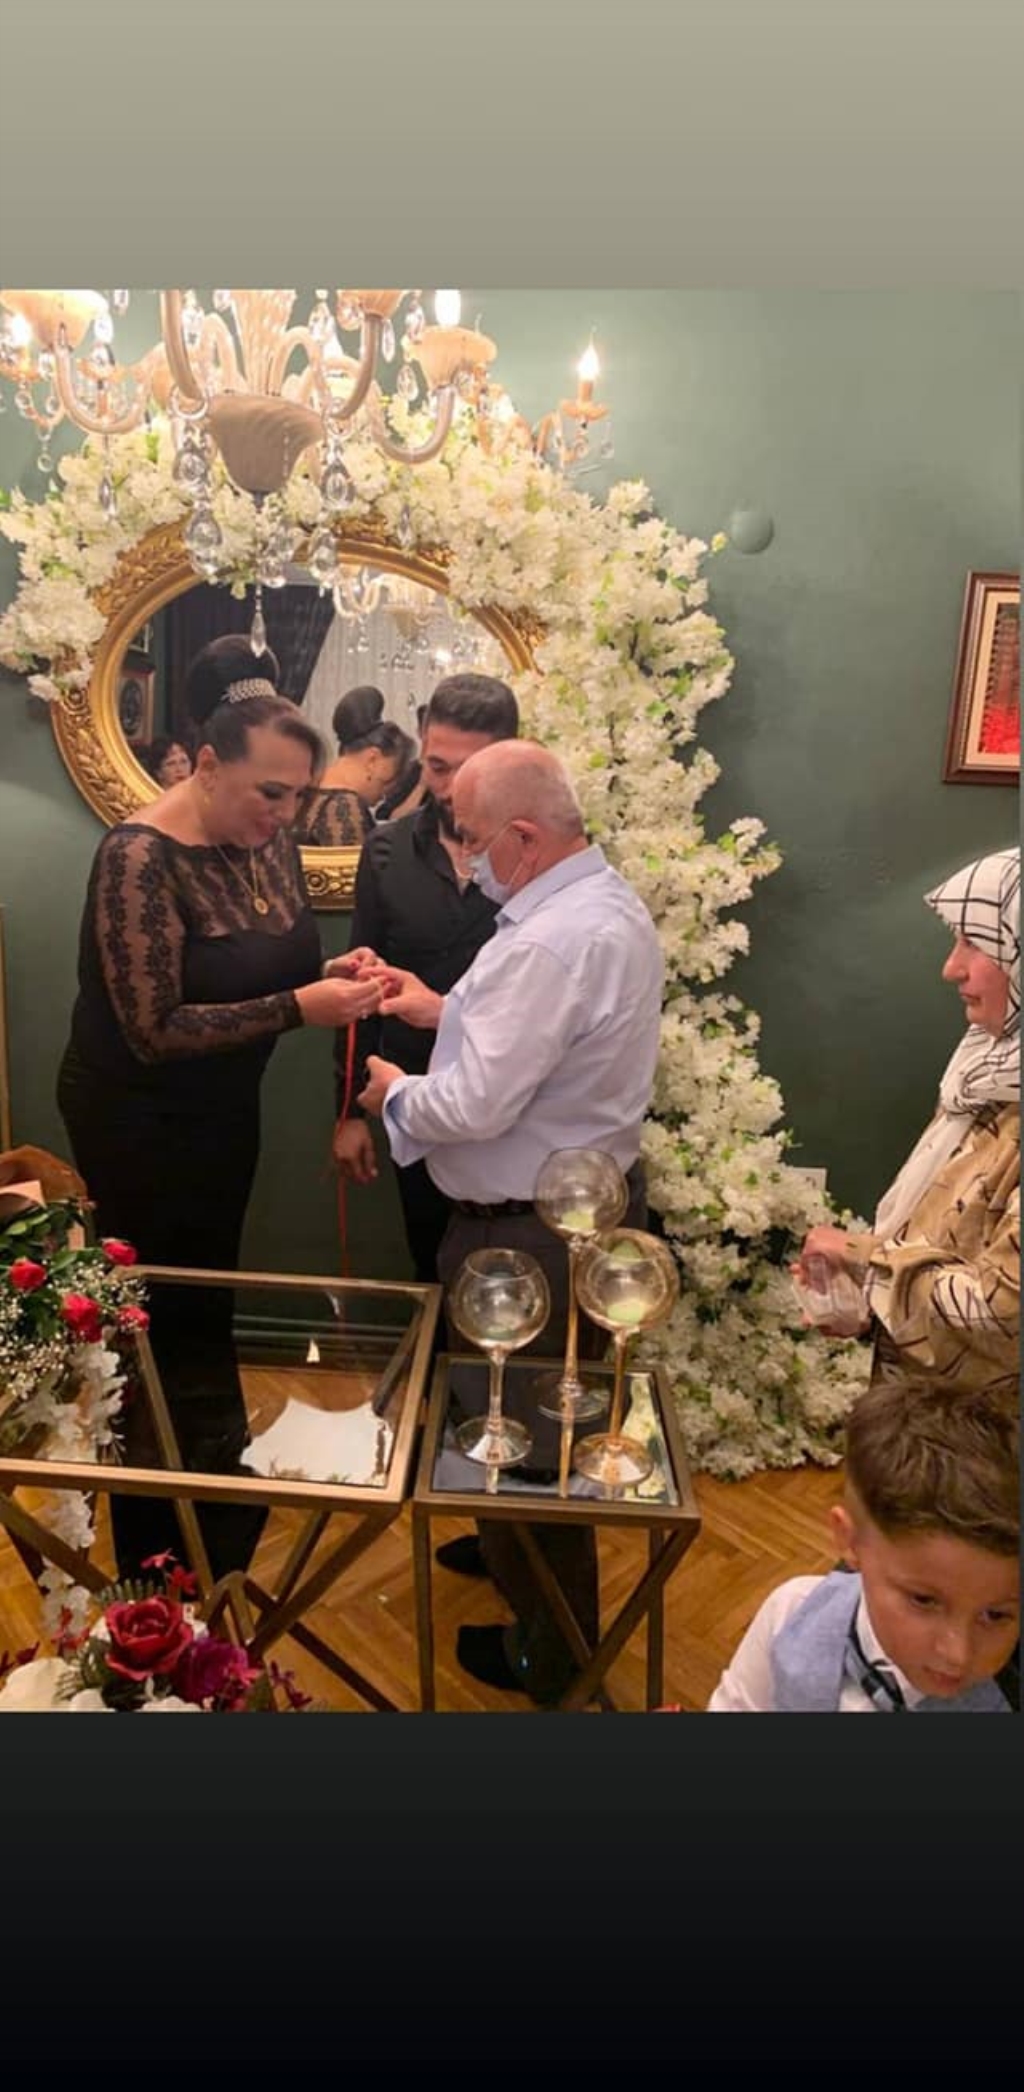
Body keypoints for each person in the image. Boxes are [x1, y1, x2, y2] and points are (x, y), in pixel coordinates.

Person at [57, 638, 383, 1583]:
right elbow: (152, 1028)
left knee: (206, 1304)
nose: (283, 814)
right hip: (137, 1120)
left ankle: (213, 1496)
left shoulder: (264, 838)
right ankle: (155, 1552)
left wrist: (329, 975)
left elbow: (259, 963)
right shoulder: (136, 858)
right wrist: (297, 1008)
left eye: (297, 796)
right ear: (204, 765)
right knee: (157, 1318)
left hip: (222, 1110)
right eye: (268, 792)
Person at [358, 739, 665, 1705]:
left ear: (524, 838)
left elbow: (476, 1104)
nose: (465, 859)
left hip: (522, 1231)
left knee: (534, 1450)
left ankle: (556, 1655)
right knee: (525, 1423)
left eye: (472, 838)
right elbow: (540, 1044)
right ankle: (508, 1555)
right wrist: (441, 1010)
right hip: (569, 1212)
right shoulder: (598, 904)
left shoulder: (546, 941)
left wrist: (393, 1091)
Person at [793, 846, 1019, 1399]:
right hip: (924, 1415)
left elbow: (1005, 1309)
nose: (952, 968)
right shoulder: (989, 1067)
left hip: (984, 1440)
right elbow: (948, 1235)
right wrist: (866, 1300)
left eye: (976, 943)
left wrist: (864, 1263)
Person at [332, 673, 520, 1284]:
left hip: (517, 1107)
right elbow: (361, 986)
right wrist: (347, 1112)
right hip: (411, 1098)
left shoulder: (540, 855)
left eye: (472, 769)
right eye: (438, 767)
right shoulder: (385, 850)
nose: (452, 787)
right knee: (432, 1271)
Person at [706, 1378, 1019, 1712]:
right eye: (923, 1600)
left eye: (995, 1615)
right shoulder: (791, 1614)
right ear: (850, 1540)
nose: (957, 1654)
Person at [294, 686, 415, 846]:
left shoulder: (304, 793)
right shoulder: (345, 807)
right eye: (386, 783)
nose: (382, 797)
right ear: (372, 759)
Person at [374, 702, 428, 822]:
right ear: (419, 731)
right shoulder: (409, 772)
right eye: (428, 729)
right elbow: (388, 819)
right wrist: (422, 785)